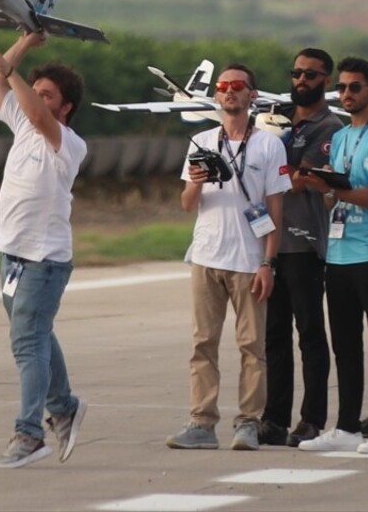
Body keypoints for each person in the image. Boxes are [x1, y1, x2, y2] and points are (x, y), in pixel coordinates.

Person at [0, 31, 87, 469]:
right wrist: (24, 43)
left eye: (48, 95)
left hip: (45, 259)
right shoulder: (22, 123)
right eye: (36, 92)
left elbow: (39, 115)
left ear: (65, 108)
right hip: (13, 255)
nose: (36, 100)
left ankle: (29, 432)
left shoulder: (67, 142)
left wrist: (13, 67)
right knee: (39, 335)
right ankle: (64, 406)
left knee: (27, 342)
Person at [164, 64, 288, 451]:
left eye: (238, 86)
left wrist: (268, 263)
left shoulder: (269, 144)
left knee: (252, 346)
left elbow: (275, 209)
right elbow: (187, 204)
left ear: (253, 94)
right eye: (223, 86)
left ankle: (248, 422)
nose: (229, 92)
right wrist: (196, 183)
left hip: (248, 258)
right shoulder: (202, 140)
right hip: (206, 255)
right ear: (216, 96)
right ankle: (202, 422)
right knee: (203, 343)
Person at [298, 56, 368, 455]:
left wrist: (337, 191)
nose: (347, 94)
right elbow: (333, 202)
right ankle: (345, 426)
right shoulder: (341, 137)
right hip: (339, 252)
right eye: (342, 88)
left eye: (355, 87)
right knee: (344, 344)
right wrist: (319, 185)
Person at [258, 48, 340, 448]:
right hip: (269, 244)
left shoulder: (329, 126)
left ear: (326, 79)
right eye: (296, 73)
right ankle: (273, 418)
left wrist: (269, 158)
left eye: (310, 74)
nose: (301, 81)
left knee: (309, 333)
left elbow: (299, 178)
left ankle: (311, 418)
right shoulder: (276, 121)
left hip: (305, 241)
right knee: (273, 336)